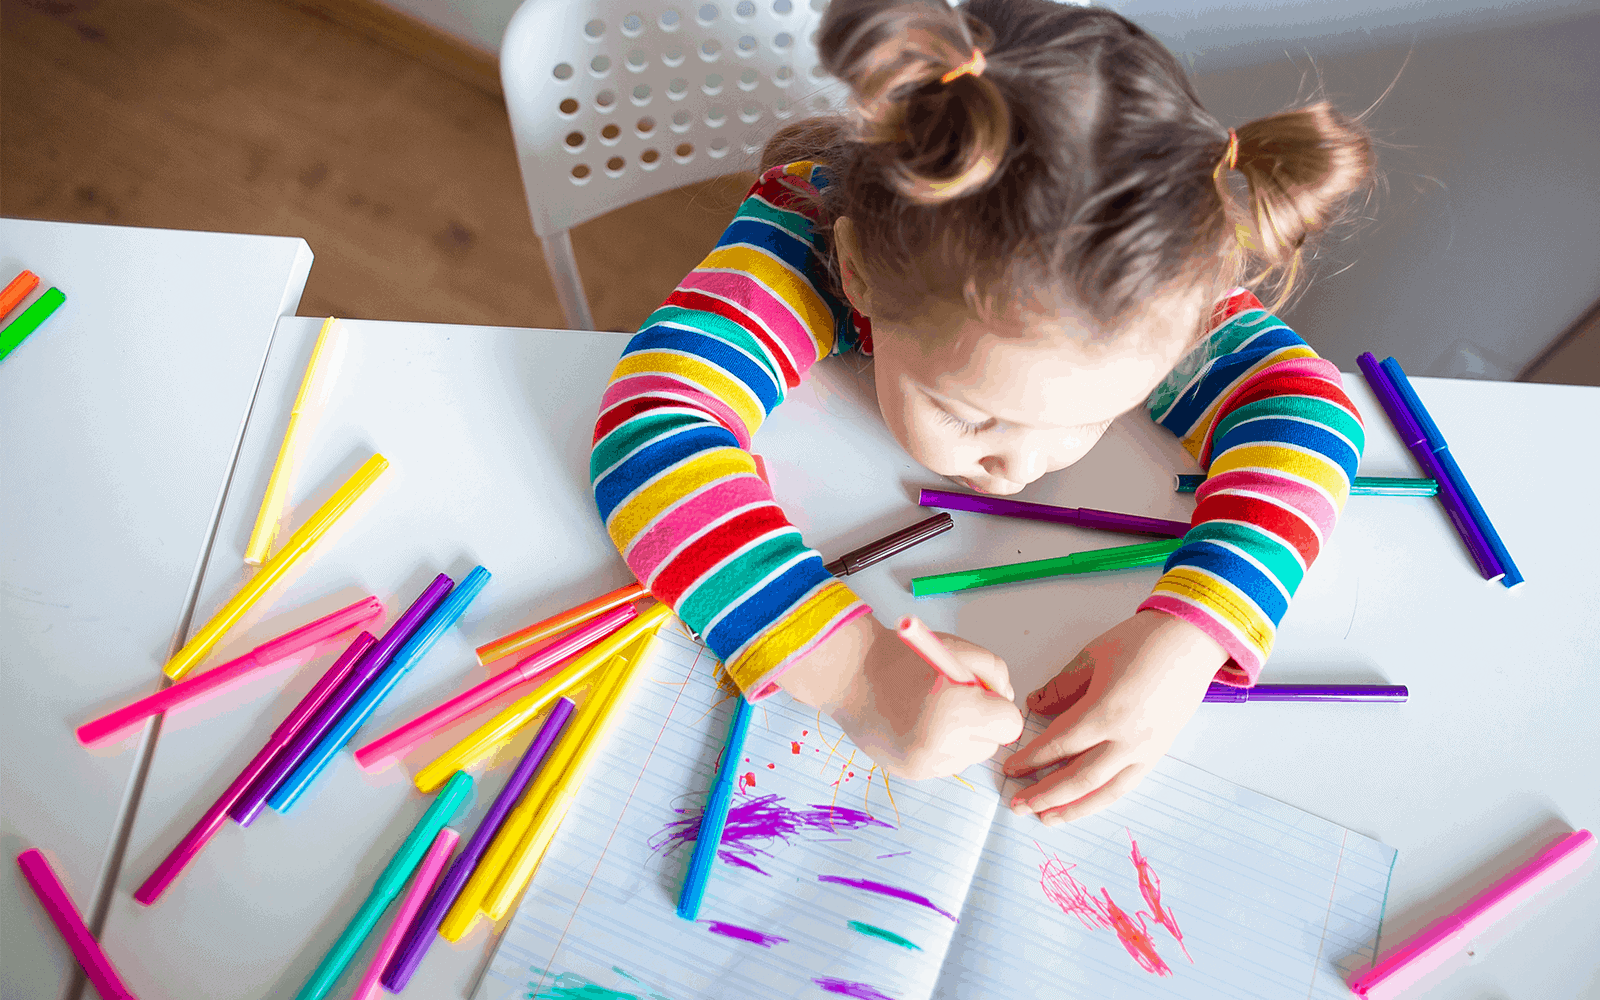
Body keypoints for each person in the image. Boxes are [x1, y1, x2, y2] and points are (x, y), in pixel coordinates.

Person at [591, 0, 1373, 824]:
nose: (1026, 469)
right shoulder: (806, 239)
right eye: (971, 417)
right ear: (857, 275)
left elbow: (1307, 413)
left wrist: (1195, 634)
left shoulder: (1144, 282)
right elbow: (652, 433)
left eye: (1093, 417)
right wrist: (853, 672)